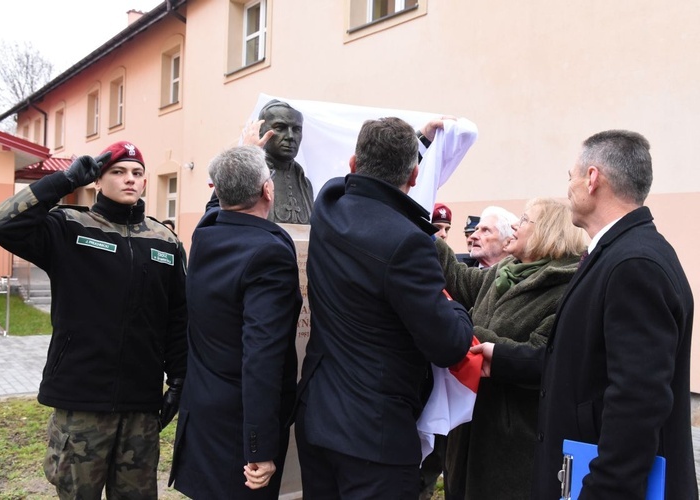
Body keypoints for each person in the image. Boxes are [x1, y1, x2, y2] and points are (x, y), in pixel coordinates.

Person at [472, 130, 697, 499]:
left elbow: (637, 403)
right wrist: (502, 357)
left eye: (571, 176)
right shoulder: (616, 253)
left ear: (592, 178)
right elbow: (580, 361)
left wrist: (601, 491)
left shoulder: (633, 264)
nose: (569, 187)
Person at [0, 140, 188, 499]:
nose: (130, 179)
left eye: (137, 173)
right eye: (118, 171)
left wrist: (178, 378)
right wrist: (63, 181)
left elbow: (177, 316)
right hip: (80, 402)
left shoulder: (165, 241)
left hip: (140, 405)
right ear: (97, 179)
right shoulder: (69, 227)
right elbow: (1, 224)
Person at [294, 117, 474, 498]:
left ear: (354, 165)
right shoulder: (408, 243)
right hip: (373, 433)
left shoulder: (327, 206)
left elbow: (364, 181)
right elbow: (449, 344)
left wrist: (421, 142)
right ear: (414, 174)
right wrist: (456, 309)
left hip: (319, 414)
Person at [169, 145, 302, 498]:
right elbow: (261, 357)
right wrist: (259, 449)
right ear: (267, 190)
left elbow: (218, 204)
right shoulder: (268, 252)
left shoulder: (206, 233)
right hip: (238, 429)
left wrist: (245, 150)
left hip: (203, 413)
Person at [435, 198, 586, 499]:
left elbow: (542, 356)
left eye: (525, 220)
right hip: (467, 435)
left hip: (512, 446)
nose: (515, 226)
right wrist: (423, 233)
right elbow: (460, 280)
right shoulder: (505, 270)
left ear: (547, 232)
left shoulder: (566, 289)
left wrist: (468, 332)